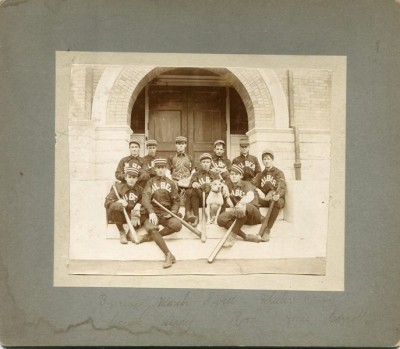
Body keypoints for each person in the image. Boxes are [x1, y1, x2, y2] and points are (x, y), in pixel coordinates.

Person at [141, 158, 182, 268]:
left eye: (162, 167)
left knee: (177, 225)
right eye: (158, 167)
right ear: (155, 169)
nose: (160, 170)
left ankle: (150, 237)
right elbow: (145, 198)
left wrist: (172, 212)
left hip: (166, 212)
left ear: (165, 169)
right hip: (153, 212)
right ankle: (168, 254)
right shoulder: (151, 182)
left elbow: (177, 200)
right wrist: (150, 212)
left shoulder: (171, 183)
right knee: (151, 228)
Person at [217, 164, 262, 244]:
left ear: (241, 176)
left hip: (253, 215)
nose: (233, 176)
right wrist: (225, 191)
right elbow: (230, 204)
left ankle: (232, 236)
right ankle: (245, 236)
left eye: (236, 174)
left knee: (244, 206)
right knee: (220, 218)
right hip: (240, 215)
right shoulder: (229, 185)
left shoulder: (246, 184)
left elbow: (250, 195)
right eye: (232, 174)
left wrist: (241, 203)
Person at [253, 149, 286, 242]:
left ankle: (267, 230)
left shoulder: (278, 172)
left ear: (272, 160)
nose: (266, 161)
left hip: (277, 199)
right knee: (253, 197)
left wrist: (277, 194)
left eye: (268, 159)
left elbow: (282, 186)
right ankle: (259, 218)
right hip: (265, 199)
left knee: (275, 201)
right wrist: (258, 190)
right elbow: (253, 184)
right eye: (264, 159)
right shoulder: (260, 174)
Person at [104, 167, 144, 244]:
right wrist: (119, 201)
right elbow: (107, 202)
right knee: (115, 207)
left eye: (134, 177)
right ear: (125, 177)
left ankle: (129, 233)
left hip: (133, 217)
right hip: (120, 217)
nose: (131, 180)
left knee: (146, 212)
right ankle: (122, 232)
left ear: (137, 179)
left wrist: (139, 204)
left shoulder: (140, 189)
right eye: (129, 177)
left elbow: (146, 200)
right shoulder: (118, 187)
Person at [184, 153, 221, 227]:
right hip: (199, 200)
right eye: (203, 162)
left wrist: (224, 187)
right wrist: (194, 183)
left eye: (207, 162)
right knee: (192, 191)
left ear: (210, 163)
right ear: (200, 163)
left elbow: (220, 185)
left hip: (211, 201)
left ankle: (219, 217)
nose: (205, 164)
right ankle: (196, 217)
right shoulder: (196, 174)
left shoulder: (215, 174)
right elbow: (190, 185)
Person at [167, 136, 196, 203]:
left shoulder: (190, 158)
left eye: (182, 144)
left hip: (187, 183)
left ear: (185, 145)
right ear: (176, 145)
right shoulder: (171, 158)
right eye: (179, 144)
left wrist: (188, 180)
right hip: (175, 183)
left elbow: (193, 172)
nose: (181, 146)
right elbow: (167, 172)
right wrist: (172, 181)